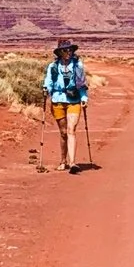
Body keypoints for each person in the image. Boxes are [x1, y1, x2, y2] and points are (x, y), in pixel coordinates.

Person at [42, 38, 88, 174]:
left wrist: (84, 97)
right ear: (60, 52)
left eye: (70, 50)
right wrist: (46, 89)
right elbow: (48, 81)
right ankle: (63, 161)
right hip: (58, 100)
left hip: (74, 100)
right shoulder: (53, 67)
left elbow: (82, 83)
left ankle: (73, 162)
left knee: (71, 129)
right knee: (63, 133)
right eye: (65, 50)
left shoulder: (78, 65)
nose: (68, 52)